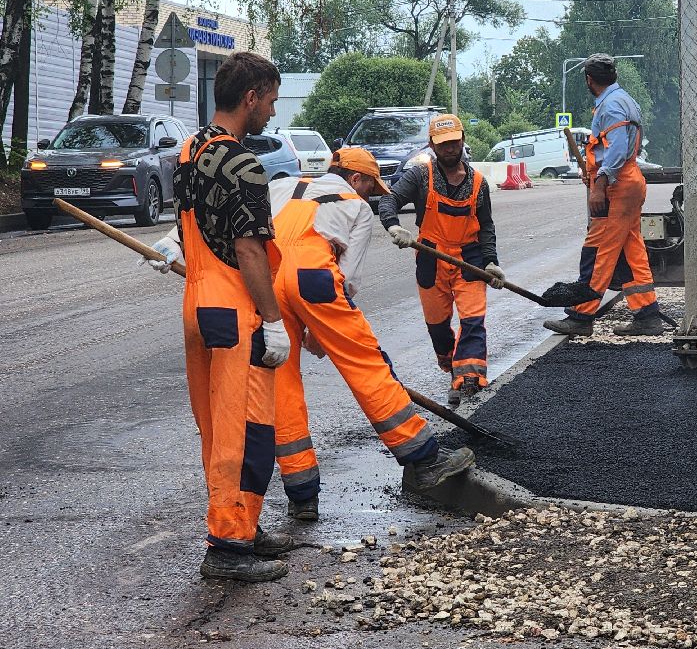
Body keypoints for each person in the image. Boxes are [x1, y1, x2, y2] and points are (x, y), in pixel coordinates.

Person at [150, 147, 476, 522]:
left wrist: (174, 241)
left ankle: (302, 493)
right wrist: (324, 330)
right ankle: (423, 457)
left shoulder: (279, 186)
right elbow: (348, 278)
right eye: (372, 188)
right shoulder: (354, 204)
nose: (371, 195)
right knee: (364, 361)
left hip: (266, 279)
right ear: (358, 179)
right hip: (313, 275)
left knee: (281, 379)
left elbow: (226, 217)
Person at [168, 51, 294, 582]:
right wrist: (272, 319)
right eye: (269, 101)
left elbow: (192, 227)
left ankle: (242, 522)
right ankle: (228, 543)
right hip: (234, 310)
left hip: (197, 305)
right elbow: (248, 251)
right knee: (244, 430)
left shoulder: (188, 150)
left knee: (216, 427)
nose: (270, 112)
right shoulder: (244, 165)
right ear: (250, 98)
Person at [379, 114, 502, 407]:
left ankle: (469, 381)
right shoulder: (420, 176)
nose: (450, 149)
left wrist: (491, 262)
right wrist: (393, 225)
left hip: (469, 258)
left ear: (463, 141)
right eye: (443, 144)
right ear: (432, 145)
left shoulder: (479, 183)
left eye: (454, 143)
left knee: (473, 320)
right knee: (437, 327)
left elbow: (486, 226)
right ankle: (453, 366)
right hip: (432, 257)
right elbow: (389, 200)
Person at [543, 54, 664, 338]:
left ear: (589, 79)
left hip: (618, 184)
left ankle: (581, 316)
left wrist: (600, 182)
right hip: (628, 181)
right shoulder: (623, 100)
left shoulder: (611, 106)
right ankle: (647, 314)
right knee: (632, 250)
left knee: (598, 251)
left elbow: (618, 150)